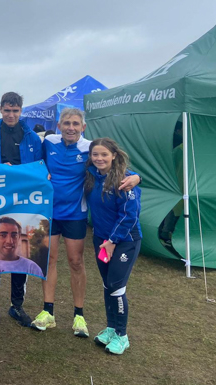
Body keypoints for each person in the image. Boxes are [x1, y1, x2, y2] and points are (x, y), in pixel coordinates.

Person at [32, 108, 140, 338]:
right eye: (66, 123)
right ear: (59, 125)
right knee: (48, 260)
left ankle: (79, 315)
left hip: (75, 214)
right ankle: (48, 311)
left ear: (83, 127)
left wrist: (138, 177)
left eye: (75, 124)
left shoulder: (90, 148)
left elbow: (112, 166)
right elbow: (34, 164)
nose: (70, 128)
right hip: (48, 213)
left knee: (76, 262)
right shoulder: (48, 142)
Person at [0, 91, 42, 329]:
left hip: (23, 202)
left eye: (15, 111)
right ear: (0, 109)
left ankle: (17, 305)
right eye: (7, 110)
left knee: (20, 251)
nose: (11, 115)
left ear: (21, 111)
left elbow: (39, 169)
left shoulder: (32, 137)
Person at [84, 137, 142, 355]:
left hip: (125, 241)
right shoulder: (91, 175)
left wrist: (112, 241)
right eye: (95, 154)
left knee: (117, 286)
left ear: (114, 155)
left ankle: (122, 335)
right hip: (101, 240)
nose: (99, 158)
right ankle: (110, 328)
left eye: (104, 154)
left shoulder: (125, 180)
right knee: (107, 285)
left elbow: (129, 216)